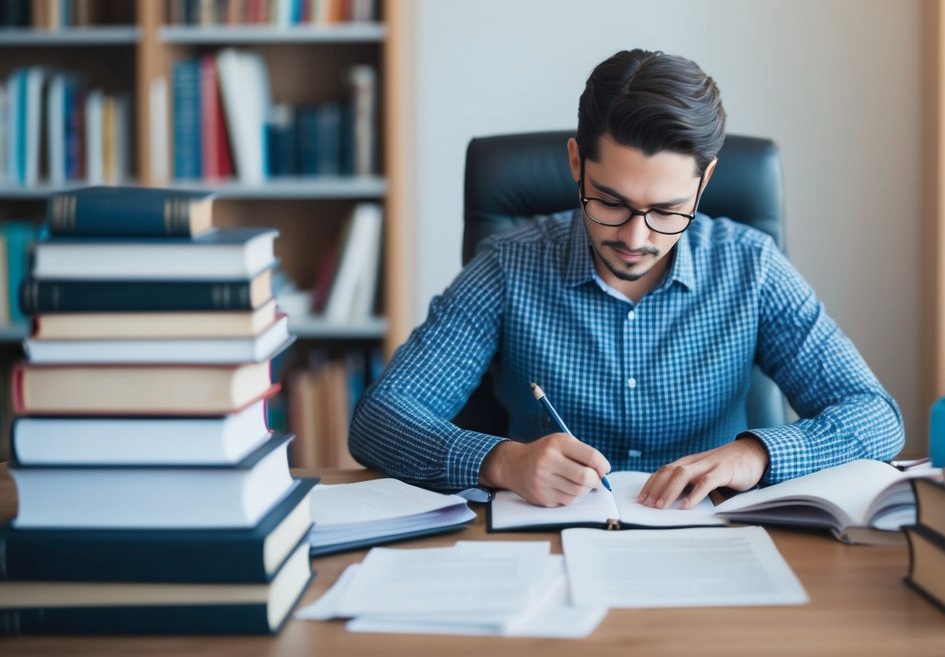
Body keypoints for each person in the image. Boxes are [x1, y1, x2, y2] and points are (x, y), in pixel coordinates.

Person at [348, 48, 904, 509]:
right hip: (545, 550)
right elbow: (379, 420)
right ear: (575, 164)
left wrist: (756, 454)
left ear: (705, 181)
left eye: (666, 210)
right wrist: (501, 462)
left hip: (708, 550)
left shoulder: (751, 267)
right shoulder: (507, 267)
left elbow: (876, 417)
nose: (636, 239)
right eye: (611, 202)